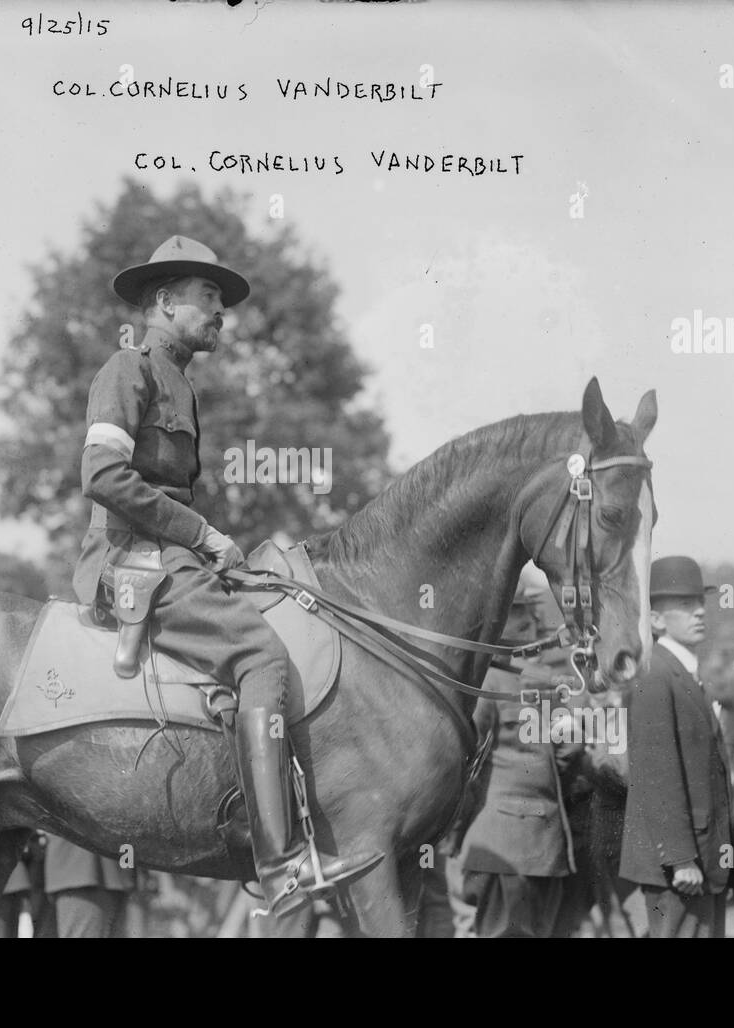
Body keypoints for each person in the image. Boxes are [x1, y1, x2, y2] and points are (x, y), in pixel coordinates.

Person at [73, 236, 381, 918]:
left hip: (171, 557)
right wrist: (202, 534)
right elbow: (100, 476)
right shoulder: (129, 370)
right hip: (130, 560)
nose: (220, 313)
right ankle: (281, 866)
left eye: (220, 300)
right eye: (207, 297)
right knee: (261, 658)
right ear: (163, 302)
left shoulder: (180, 381)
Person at [456, 588, 582, 938]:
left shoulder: (489, 682)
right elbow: (568, 754)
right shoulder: (547, 686)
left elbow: (467, 764)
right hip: (548, 843)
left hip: (499, 844)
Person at [620, 556, 734, 938]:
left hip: (699, 854)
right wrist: (680, 857)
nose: (700, 612)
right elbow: (657, 775)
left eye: (699, 603)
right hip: (680, 863)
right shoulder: (656, 675)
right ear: (654, 620)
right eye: (685, 606)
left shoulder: (681, 671)